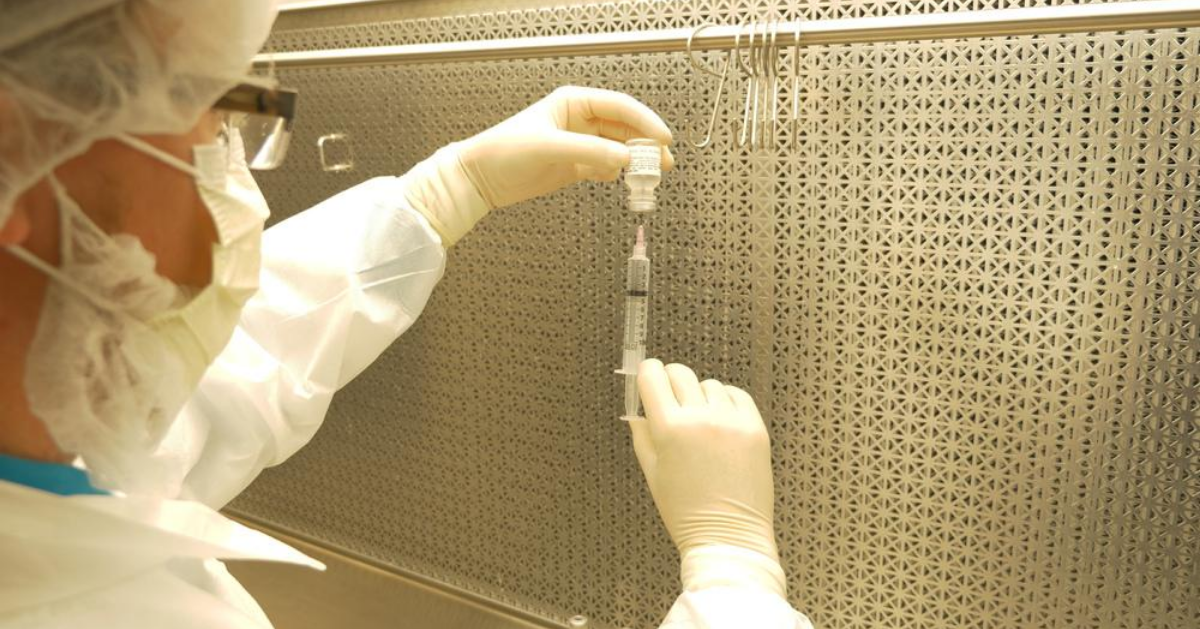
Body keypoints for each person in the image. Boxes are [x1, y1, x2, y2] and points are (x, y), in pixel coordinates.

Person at [0, 2, 811, 627]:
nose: (232, 174)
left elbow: (206, 386)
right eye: (210, 113)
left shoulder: (44, 451)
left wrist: (444, 194)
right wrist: (735, 577)